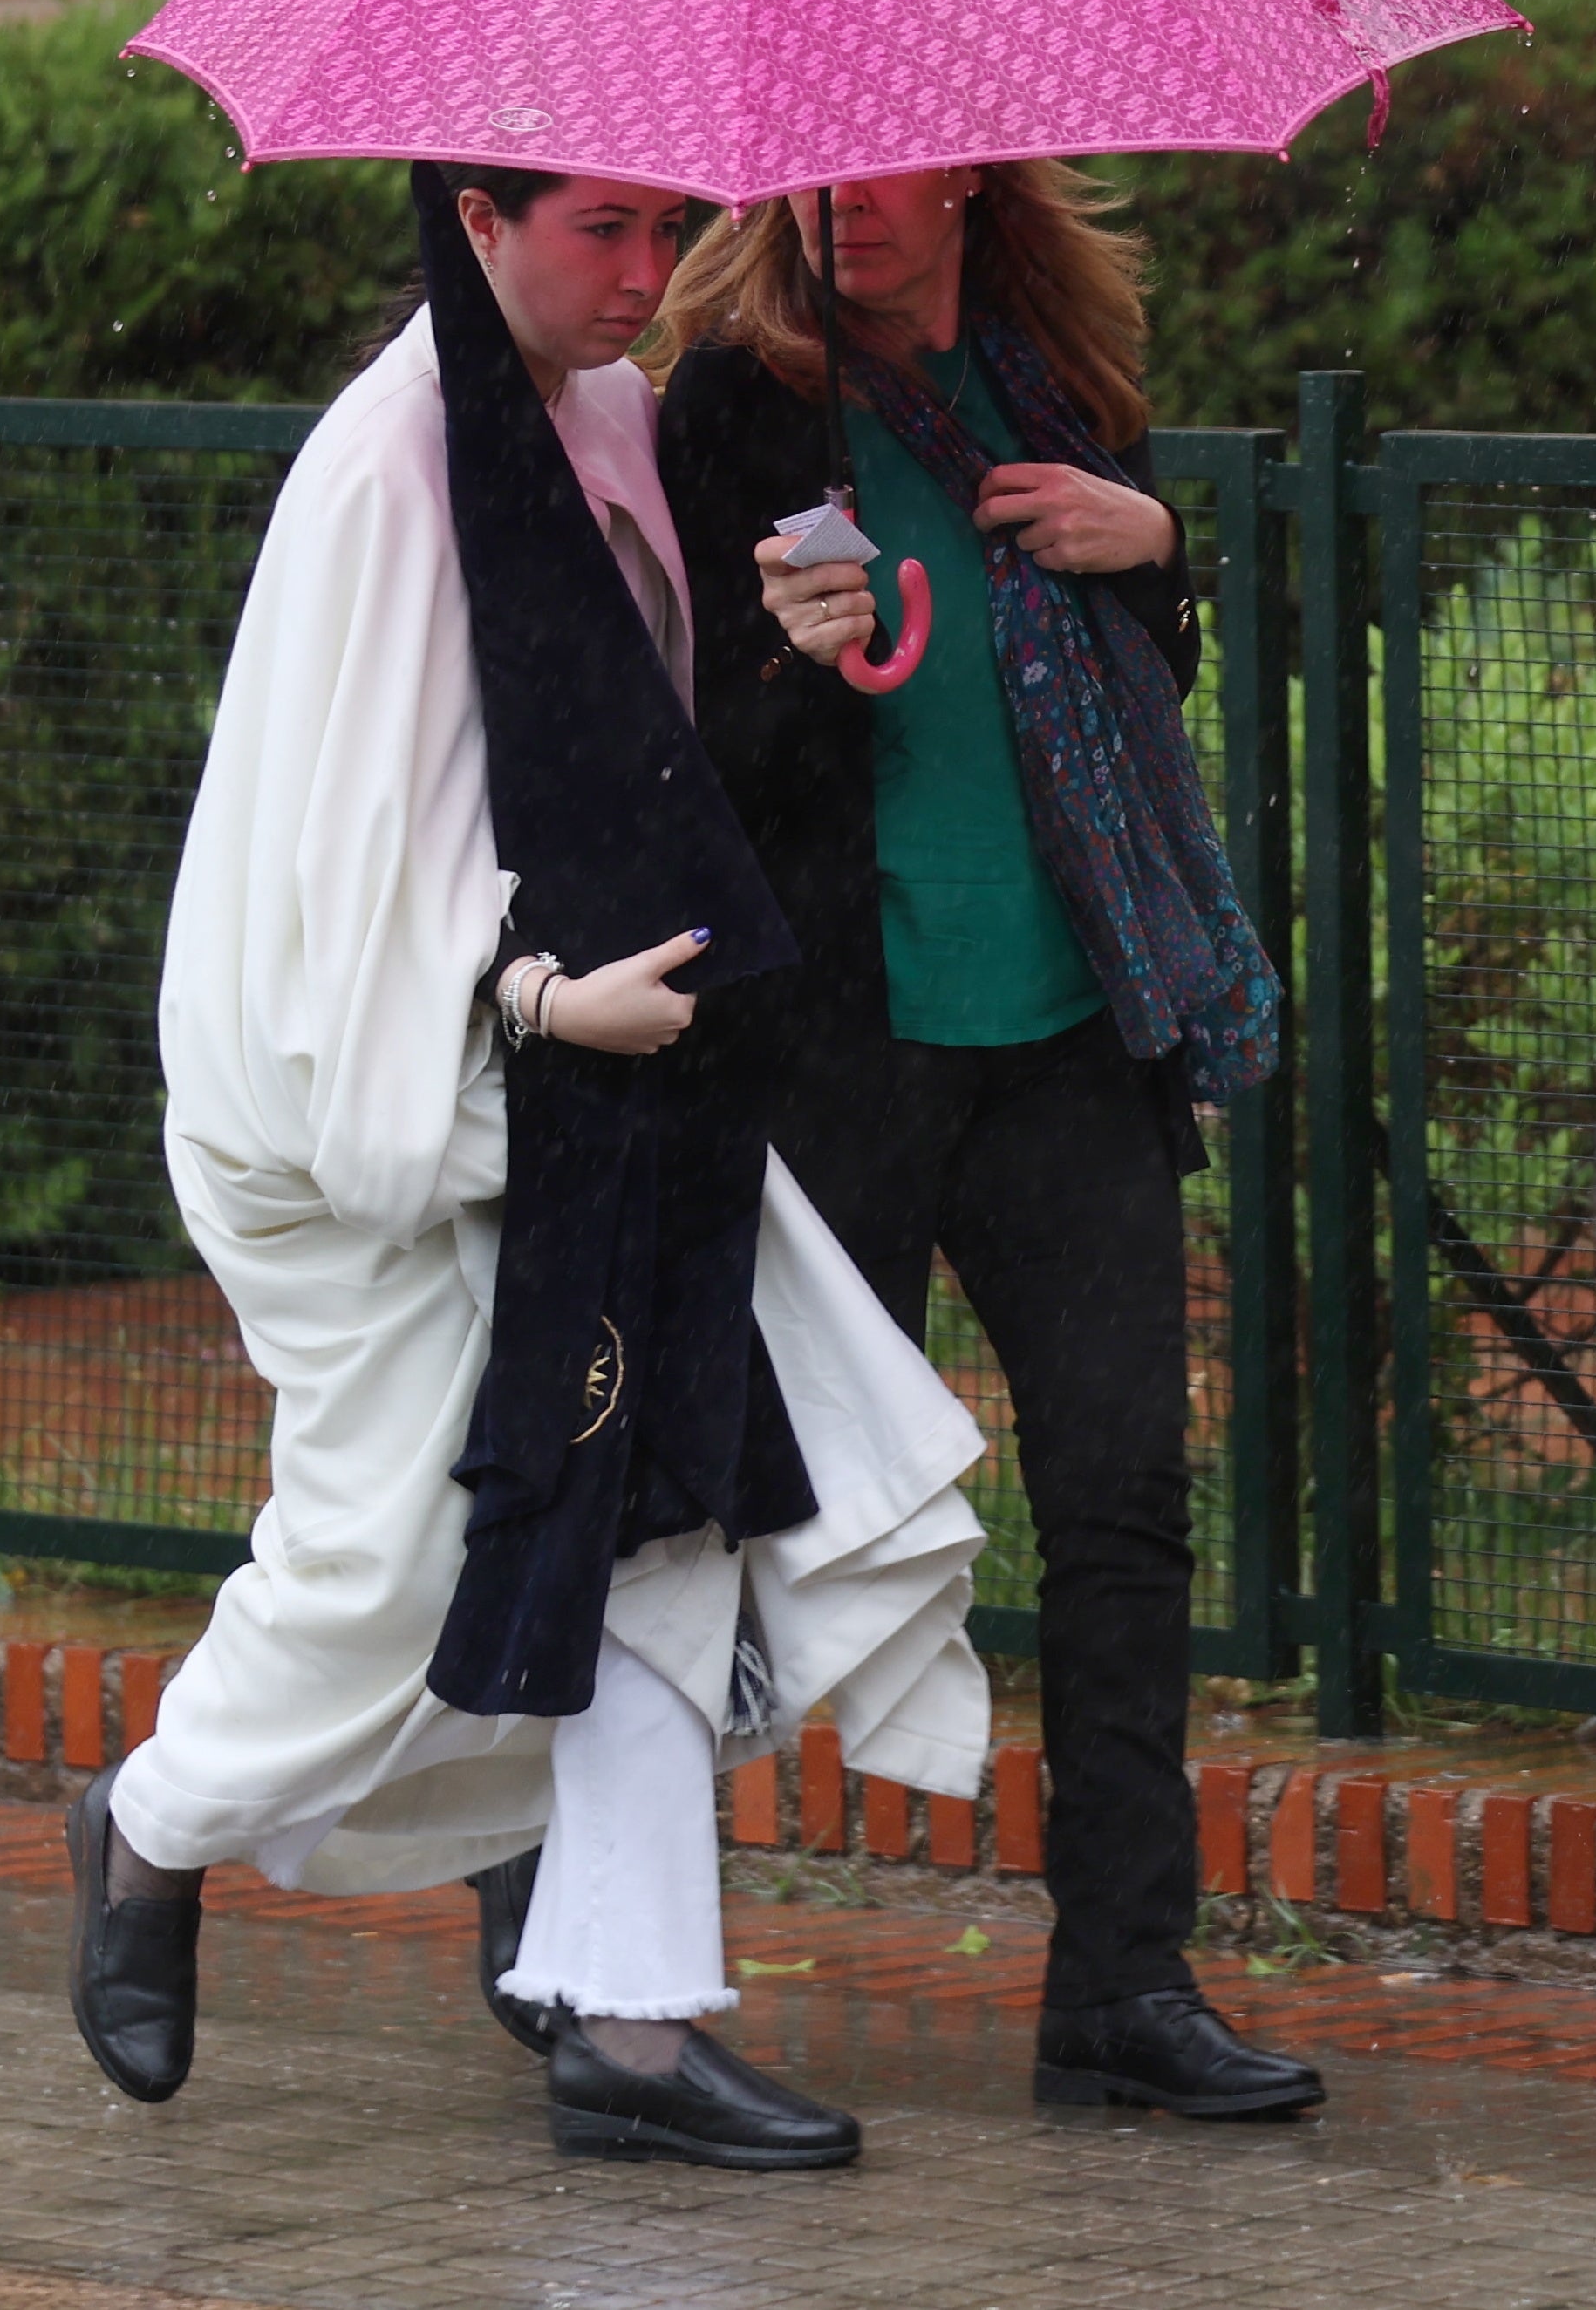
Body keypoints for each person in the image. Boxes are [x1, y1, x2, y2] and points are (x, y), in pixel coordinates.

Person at [69, 161, 992, 2171]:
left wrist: (774, 638)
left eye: (668, 228)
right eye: (599, 230)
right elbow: (348, 868)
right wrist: (538, 999)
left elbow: (624, 762)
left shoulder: (604, 417)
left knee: (654, 1511)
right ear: (475, 218)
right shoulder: (390, 468)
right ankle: (148, 1825)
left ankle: (625, 2013)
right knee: (396, 1564)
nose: (649, 274)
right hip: (364, 1108)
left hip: (588, 1088)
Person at [647, 163, 1317, 2122]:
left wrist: (1153, 543)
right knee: (715, 1514)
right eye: (817, 179)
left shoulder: (1061, 386)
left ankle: (1122, 1984)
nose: (850, 204)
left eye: (890, 171)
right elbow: (680, 743)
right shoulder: (737, 400)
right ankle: (594, 1952)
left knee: (1121, 1503)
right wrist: (779, 648)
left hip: (1066, 1039)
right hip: (838, 1050)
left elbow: (1141, 682)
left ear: (970, 166)